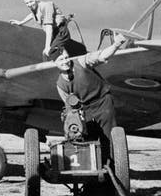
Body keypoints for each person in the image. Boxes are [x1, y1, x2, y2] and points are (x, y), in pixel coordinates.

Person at [53, 32, 129, 167]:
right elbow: (69, 108)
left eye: (66, 57)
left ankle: (112, 173)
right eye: (61, 60)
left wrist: (116, 44)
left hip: (103, 102)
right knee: (88, 141)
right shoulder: (60, 85)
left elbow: (101, 56)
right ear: (54, 63)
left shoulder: (81, 62)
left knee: (108, 138)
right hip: (85, 109)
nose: (65, 61)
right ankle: (94, 178)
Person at [10, 0, 78, 57]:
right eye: (27, 3)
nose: (29, 5)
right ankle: (74, 51)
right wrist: (21, 22)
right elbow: (32, 15)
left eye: (31, 2)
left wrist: (47, 47)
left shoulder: (46, 6)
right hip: (54, 33)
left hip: (60, 31)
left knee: (52, 51)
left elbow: (49, 28)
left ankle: (66, 62)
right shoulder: (35, 9)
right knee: (54, 49)